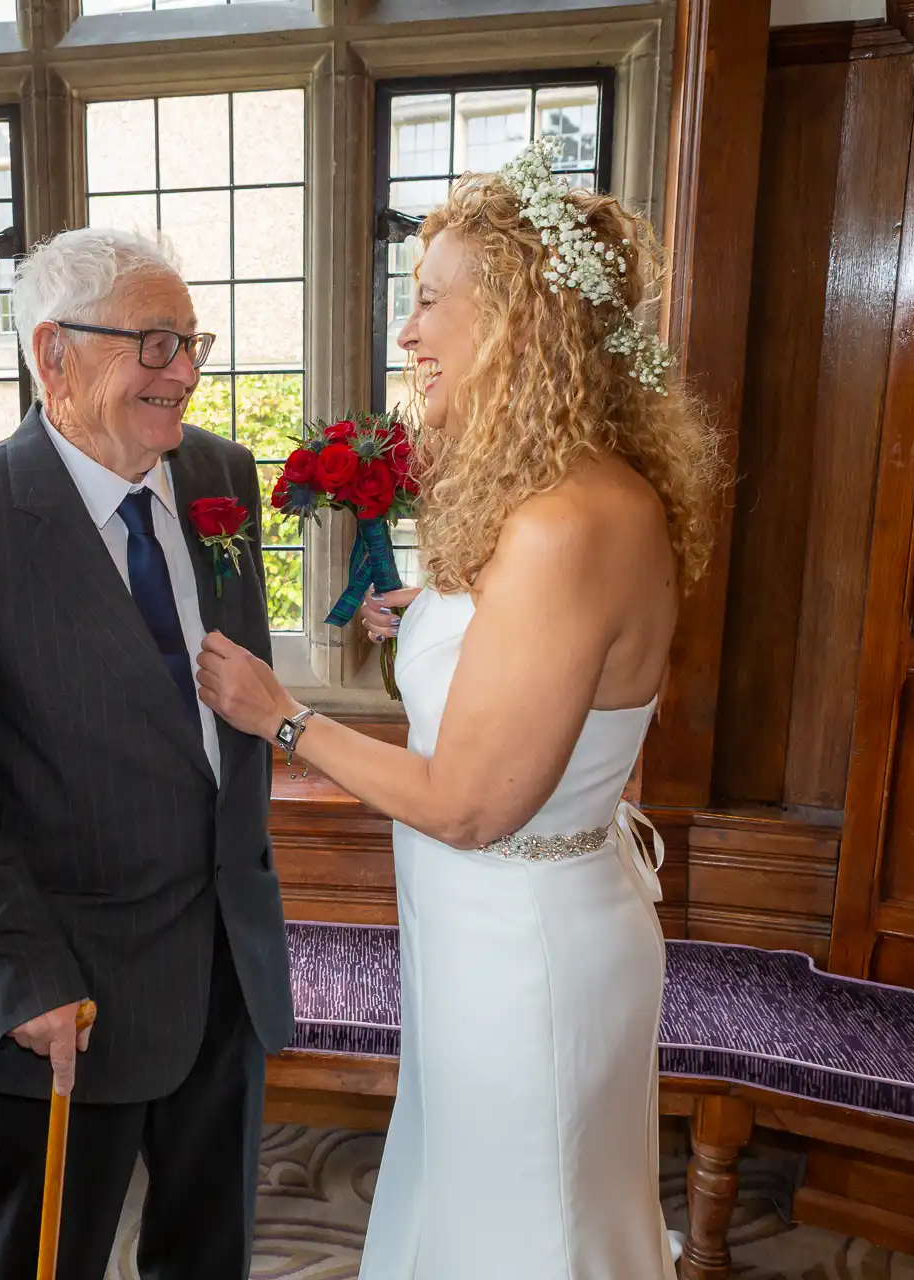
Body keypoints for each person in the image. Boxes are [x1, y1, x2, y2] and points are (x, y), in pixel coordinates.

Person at [197, 139, 721, 1278]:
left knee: (528, 1233)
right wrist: (428, 616)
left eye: (431, 299)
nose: (408, 332)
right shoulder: (574, 492)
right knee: (484, 1209)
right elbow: (538, 670)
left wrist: (282, 715)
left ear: (522, 319)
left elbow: (471, 803)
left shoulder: (564, 521)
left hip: (522, 948)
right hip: (490, 927)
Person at [0, 227, 295, 1280]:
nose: (184, 372)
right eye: (153, 343)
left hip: (224, 970)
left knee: (209, 1260)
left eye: (190, 342)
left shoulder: (221, 475)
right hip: (65, 993)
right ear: (52, 354)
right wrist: (21, 976)